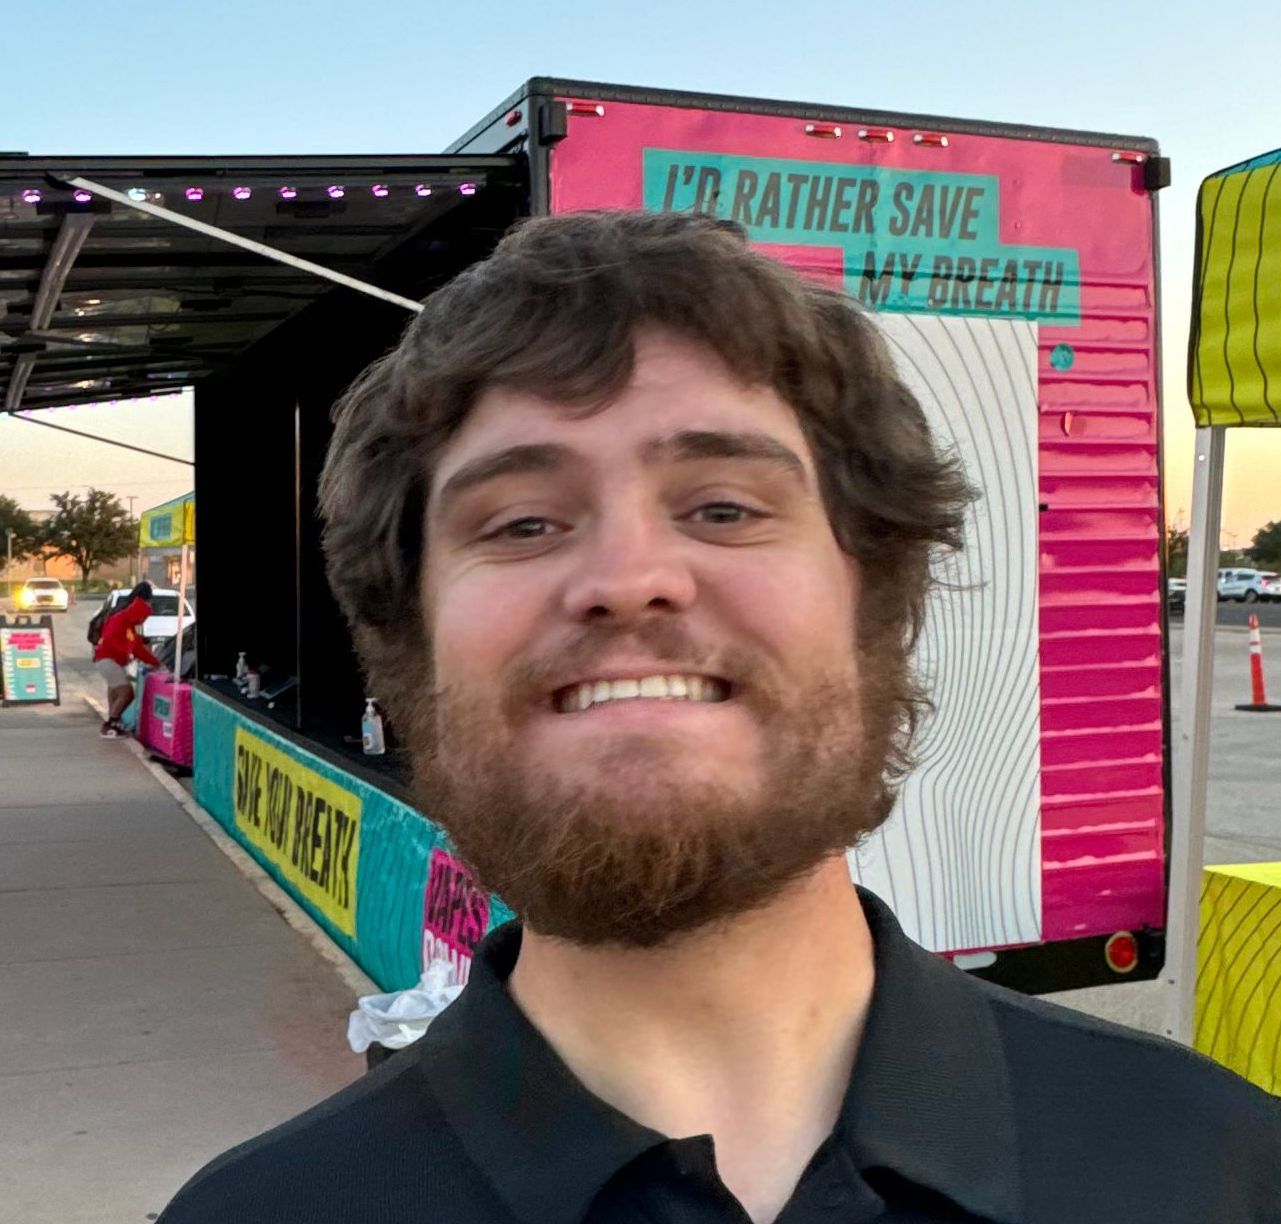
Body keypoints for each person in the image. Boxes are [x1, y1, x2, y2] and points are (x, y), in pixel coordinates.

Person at [158, 213, 1280, 1223]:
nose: (629, 576)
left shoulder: (1224, 1172)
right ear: (409, 650)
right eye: (521, 524)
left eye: (725, 507)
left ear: (873, 605)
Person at [92, 581, 159, 737]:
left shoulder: (128, 626)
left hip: (109, 660)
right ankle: (109, 724)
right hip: (107, 659)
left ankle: (114, 721)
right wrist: (126, 652)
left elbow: (138, 649)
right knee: (126, 692)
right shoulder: (121, 621)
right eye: (142, 618)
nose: (142, 622)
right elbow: (112, 639)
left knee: (116, 691)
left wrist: (155, 662)